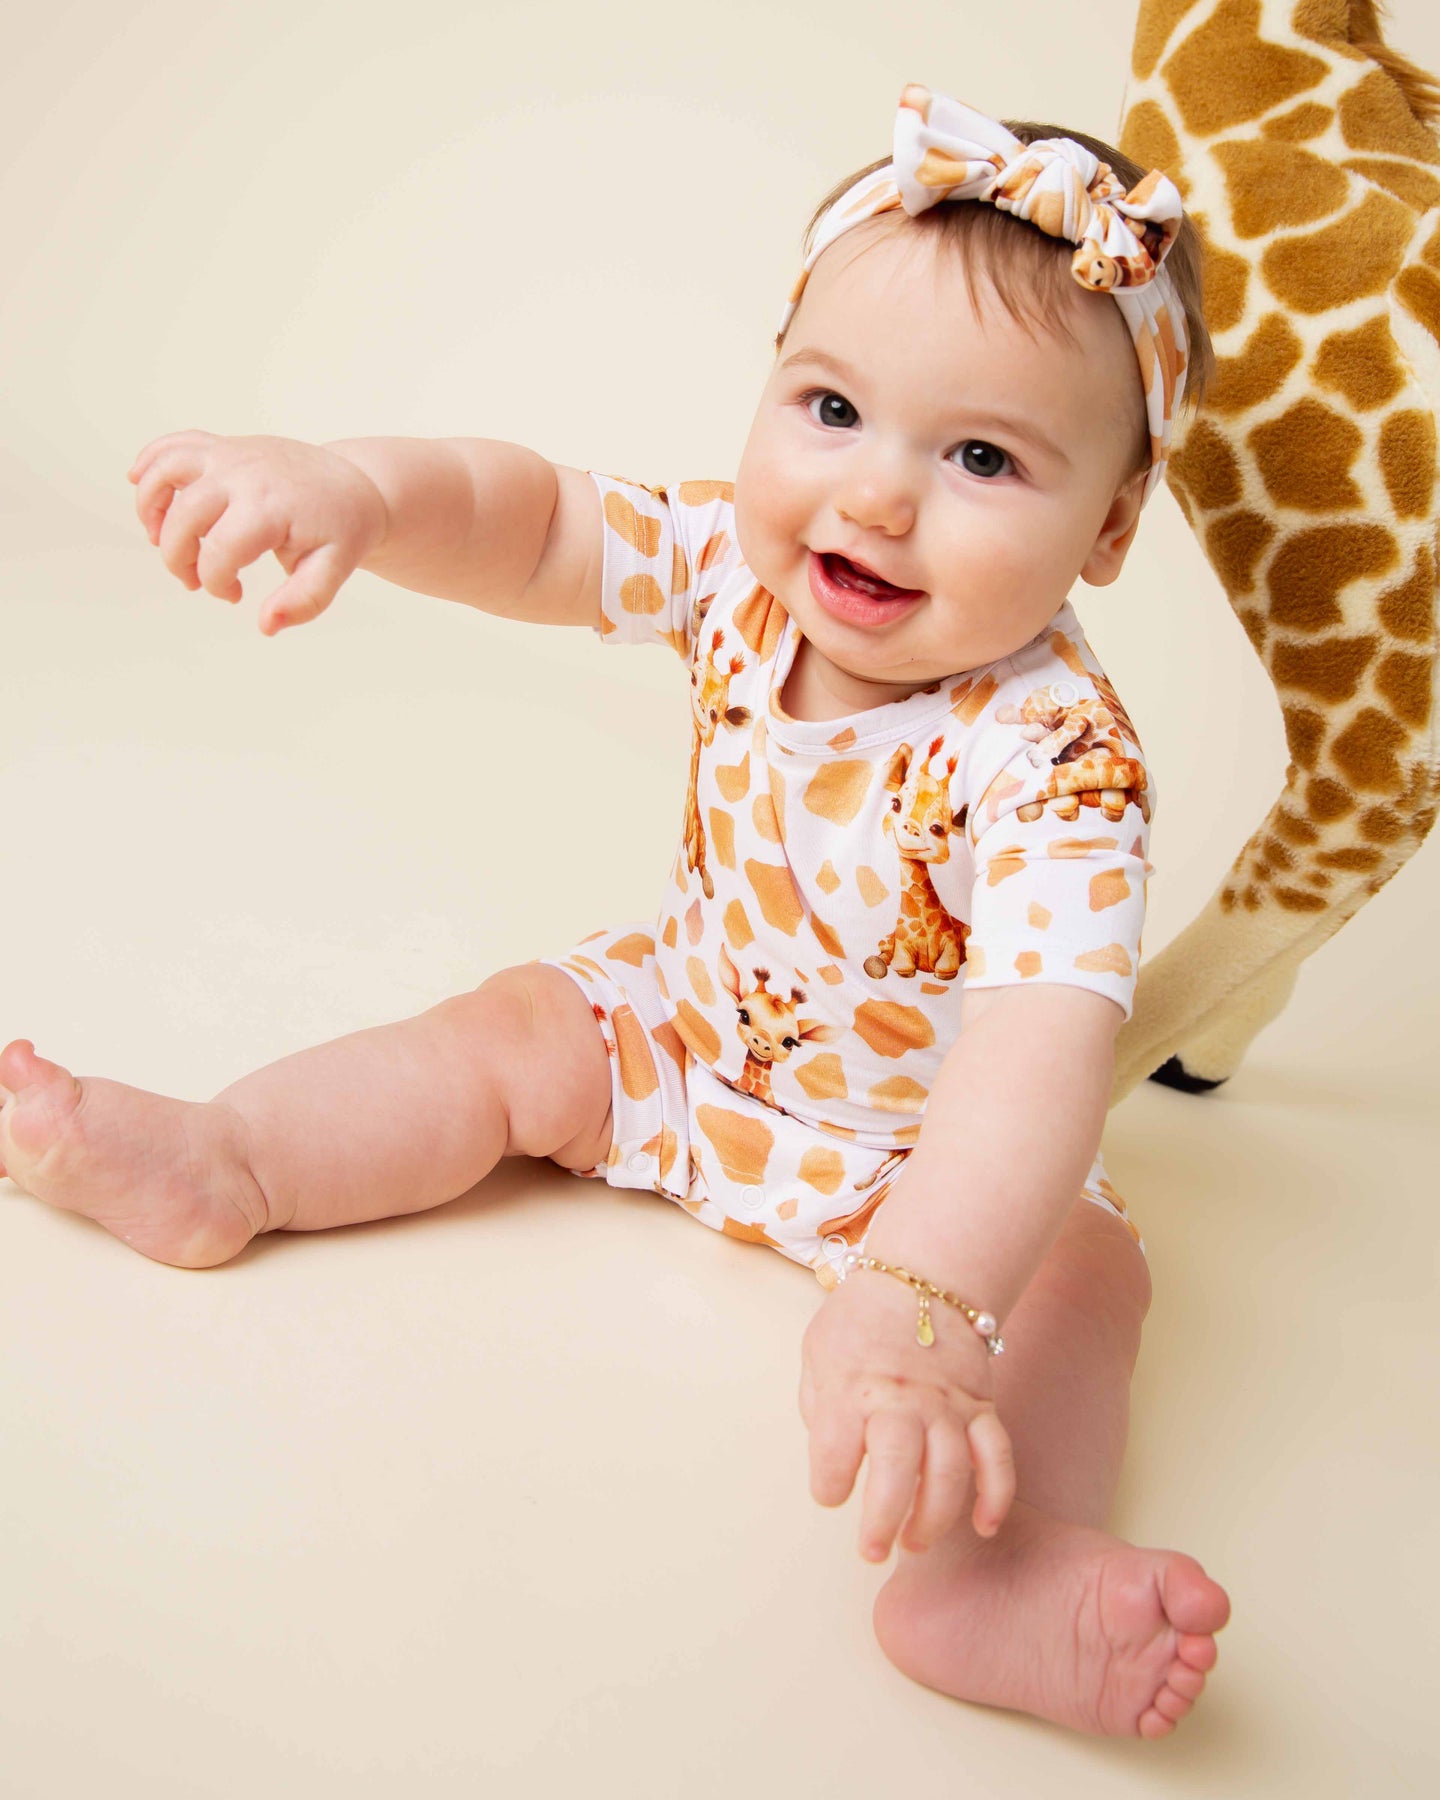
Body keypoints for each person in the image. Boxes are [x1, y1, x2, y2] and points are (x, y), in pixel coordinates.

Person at [0, 84, 1232, 1736]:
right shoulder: (732, 569)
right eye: (833, 408)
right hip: (687, 1029)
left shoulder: (1059, 756)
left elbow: (1037, 1051)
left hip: (931, 1163)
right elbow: (536, 522)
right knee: (515, 1031)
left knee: (1083, 1279)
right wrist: (358, 492)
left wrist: (926, 1295)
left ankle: (995, 1576)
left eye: (983, 457)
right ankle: (233, 1159)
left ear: (1110, 526)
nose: (876, 497)